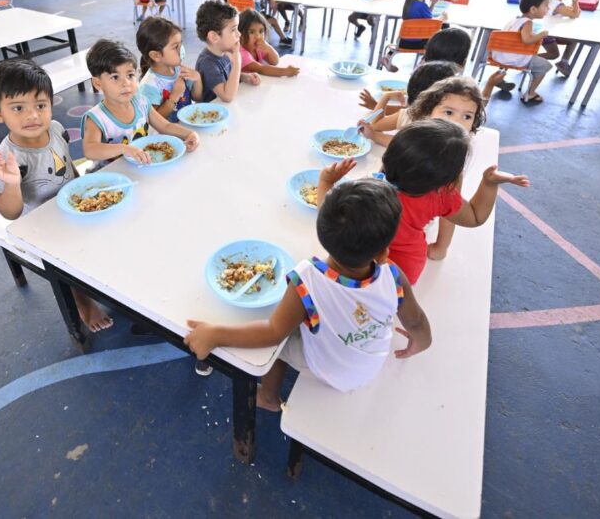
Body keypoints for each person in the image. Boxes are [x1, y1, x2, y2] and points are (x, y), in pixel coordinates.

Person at [184, 176, 433, 405]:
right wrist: (420, 343)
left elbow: (272, 332)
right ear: (383, 251)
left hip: (329, 371)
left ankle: (268, 396)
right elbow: (417, 321)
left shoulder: (307, 280)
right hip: (370, 363)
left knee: (281, 344)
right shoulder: (393, 275)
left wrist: (216, 334)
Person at [0, 59, 113, 333]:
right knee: (66, 256)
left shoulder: (55, 128)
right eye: (18, 108)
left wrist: (84, 191)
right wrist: (11, 184)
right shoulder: (6, 158)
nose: (32, 116)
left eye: (40, 105)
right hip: (40, 223)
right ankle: (80, 297)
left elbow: (66, 166)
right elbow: (10, 213)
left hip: (72, 204)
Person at [370, 119, 529, 284]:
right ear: (446, 180)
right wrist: (489, 184)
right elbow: (475, 217)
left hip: (360, 255)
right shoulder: (440, 197)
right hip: (404, 266)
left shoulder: (368, 186)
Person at [81, 39, 199, 169]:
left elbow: (165, 125)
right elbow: (90, 150)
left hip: (141, 167)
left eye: (130, 75)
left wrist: (189, 134)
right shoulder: (96, 118)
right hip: (111, 176)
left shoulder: (141, 102)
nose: (126, 83)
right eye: (115, 77)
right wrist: (125, 149)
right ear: (98, 83)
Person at [358, 61, 463, 146]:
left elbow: (377, 125)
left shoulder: (446, 128)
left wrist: (386, 97)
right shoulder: (410, 114)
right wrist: (386, 97)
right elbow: (377, 126)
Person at [487, 0, 553, 106]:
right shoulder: (528, 23)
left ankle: (500, 79)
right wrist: (541, 34)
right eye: (546, 5)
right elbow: (526, 40)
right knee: (545, 66)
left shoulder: (514, 20)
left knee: (514, 52)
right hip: (515, 59)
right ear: (533, 9)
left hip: (499, 56)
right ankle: (531, 93)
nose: (548, 9)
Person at [137, 15, 203, 122]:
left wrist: (197, 79)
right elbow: (154, 120)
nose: (181, 49)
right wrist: (174, 96)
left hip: (188, 127)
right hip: (168, 137)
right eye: (175, 46)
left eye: (181, 44)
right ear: (156, 55)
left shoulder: (179, 70)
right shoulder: (148, 86)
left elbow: (197, 98)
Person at [194, 0, 260, 102]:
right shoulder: (207, 63)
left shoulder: (224, 52)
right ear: (214, 37)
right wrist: (237, 62)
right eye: (233, 30)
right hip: (211, 113)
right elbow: (227, 96)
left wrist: (243, 77)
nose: (239, 34)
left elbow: (226, 78)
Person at [378, 0, 446, 72]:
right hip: (418, 44)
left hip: (402, 43)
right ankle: (420, 65)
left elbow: (426, 18)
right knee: (434, 45)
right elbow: (433, 23)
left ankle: (387, 57)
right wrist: (443, 17)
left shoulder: (411, 3)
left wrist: (432, 4)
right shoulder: (422, 6)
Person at [237, 9, 300, 77]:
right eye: (251, 32)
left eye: (261, 31)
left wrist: (268, 48)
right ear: (240, 34)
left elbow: (274, 61)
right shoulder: (240, 52)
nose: (258, 36)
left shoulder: (258, 48)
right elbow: (261, 69)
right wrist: (285, 71)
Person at [540, 0, 581, 77]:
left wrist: (573, 7)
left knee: (573, 41)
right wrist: (575, 2)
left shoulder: (553, 1)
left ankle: (564, 63)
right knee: (554, 54)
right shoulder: (558, 5)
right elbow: (575, 14)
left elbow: (573, 14)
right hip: (546, 34)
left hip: (549, 32)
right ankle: (529, 59)